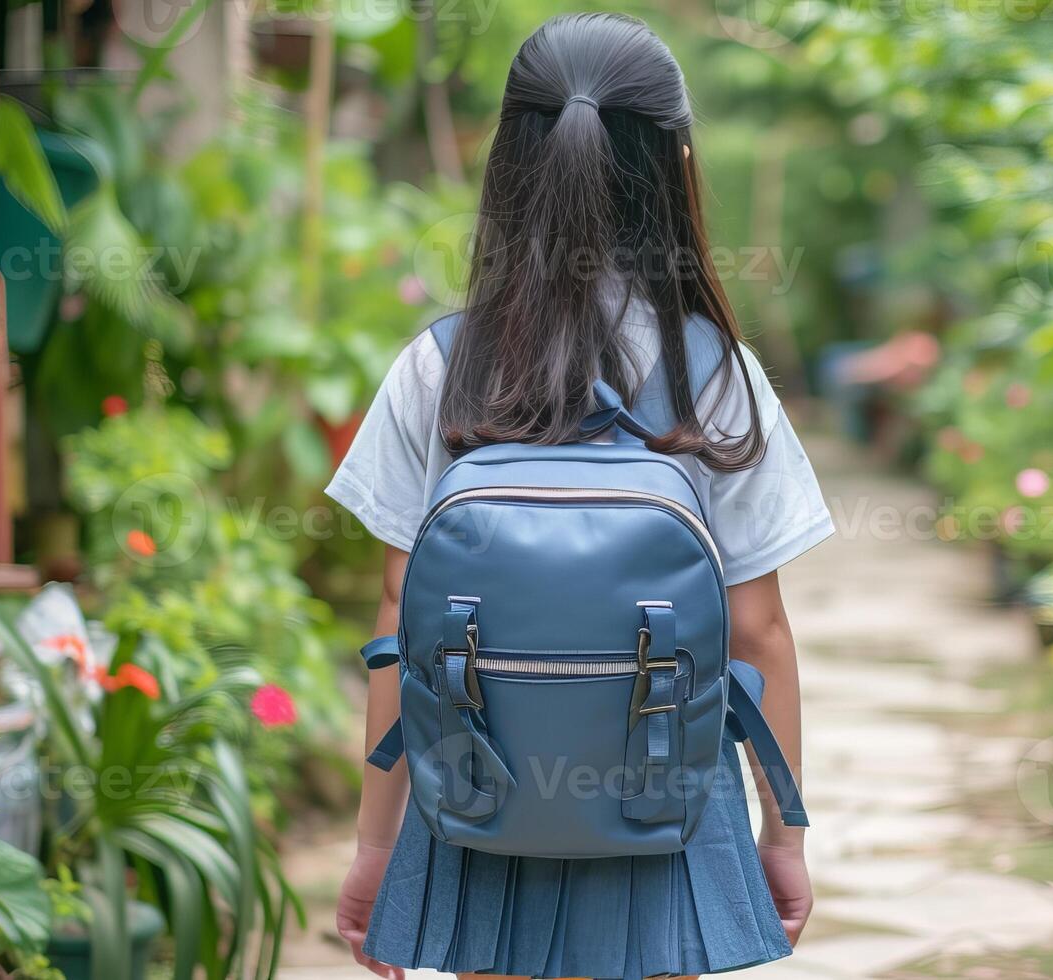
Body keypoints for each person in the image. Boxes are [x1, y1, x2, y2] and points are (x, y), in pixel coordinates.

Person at [323, 13, 833, 980]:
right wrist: (784, 832)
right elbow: (758, 630)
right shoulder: (712, 373)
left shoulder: (439, 366)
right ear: (675, 165)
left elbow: (401, 618)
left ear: (508, 163)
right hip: (663, 800)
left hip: (476, 804)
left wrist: (374, 846)